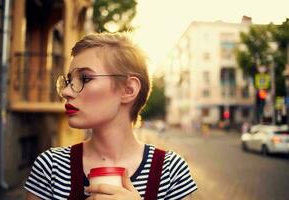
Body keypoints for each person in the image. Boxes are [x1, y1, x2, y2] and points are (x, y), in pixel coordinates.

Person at [24, 32, 197, 200]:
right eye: (69, 81)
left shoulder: (170, 171)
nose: (66, 91)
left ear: (128, 89)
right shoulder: (51, 167)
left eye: (85, 78)